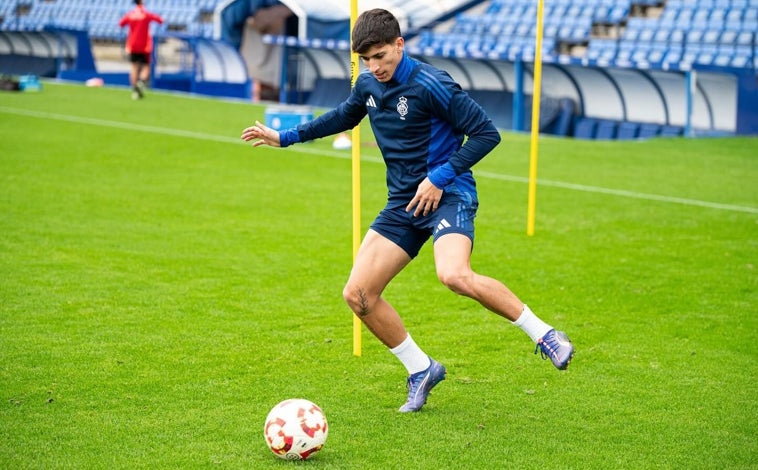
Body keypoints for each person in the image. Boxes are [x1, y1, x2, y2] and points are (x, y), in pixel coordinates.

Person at [241, 8, 574, 413]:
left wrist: (440, 176)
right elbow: (343, 117)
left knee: (453, 274)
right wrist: (285, 136)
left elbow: (488, 133)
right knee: (359, 295)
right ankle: (421, 369)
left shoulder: (431, 84)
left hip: (448, 191)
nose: (373, 66)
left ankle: (544, 334)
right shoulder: (367, 83)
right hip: (403, 202)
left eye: (380, 55)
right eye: (366, 59)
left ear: (400, 45)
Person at [119, 0, 163, 100]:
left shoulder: (130, 15)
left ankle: (135, 90)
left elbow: (121, 23)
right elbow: (160, 20)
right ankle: (141, 82)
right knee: (146, 66)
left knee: (134, 67)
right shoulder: (146, 14)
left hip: (132, 45)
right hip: (144, 45)